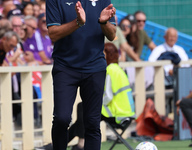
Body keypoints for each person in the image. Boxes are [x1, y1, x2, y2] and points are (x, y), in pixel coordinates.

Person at [46, 0, 116, 149]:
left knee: (92, 122)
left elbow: (112, 35)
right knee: (61, 119)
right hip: (65, 68)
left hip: (95, 68)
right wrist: (77, 22)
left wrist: (104, 23)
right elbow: (53, 34)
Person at [68, 43, 136, 150]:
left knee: (83, 107)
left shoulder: (110, 70)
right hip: (126, 113)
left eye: (102, 53)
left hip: (117, 114)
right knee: (82, 119)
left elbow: (108, 96)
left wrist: (94, 102)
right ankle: (64, 144)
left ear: (107, 54)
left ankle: (80, 143)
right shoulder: (118, 69)